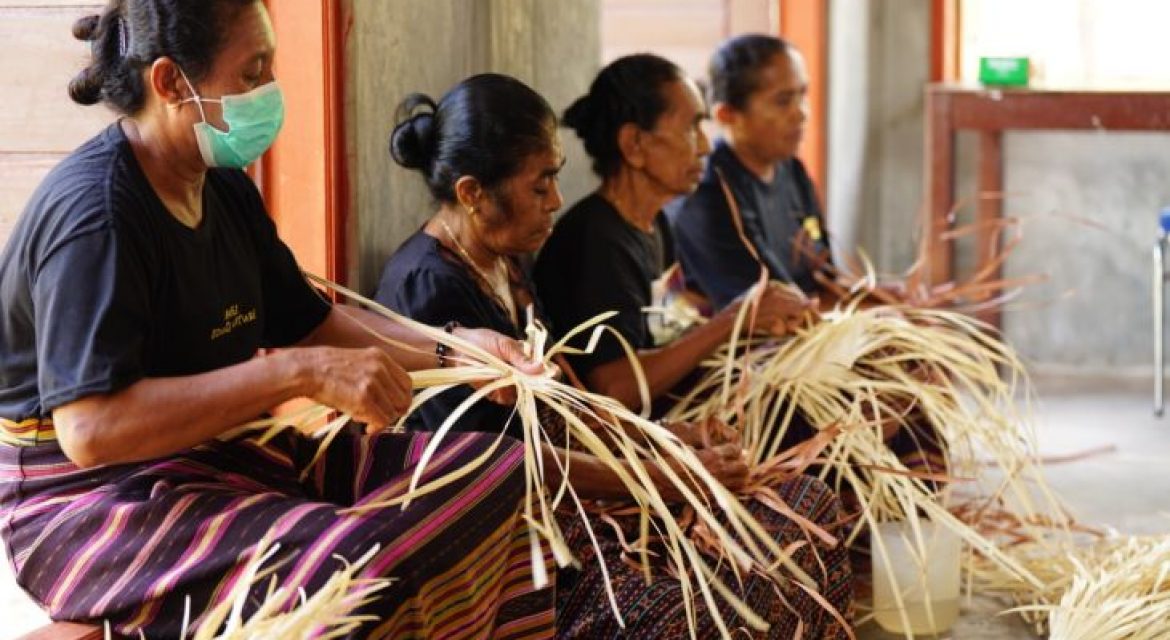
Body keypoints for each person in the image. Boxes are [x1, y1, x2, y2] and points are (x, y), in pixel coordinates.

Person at [0, 2, 555, 637]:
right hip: (89, 503)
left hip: (215, 458)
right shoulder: (96, 216)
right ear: (170, 83)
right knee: (343, 570)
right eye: (251, 73)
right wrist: (295, 375)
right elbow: (92, 431)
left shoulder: (222, 185)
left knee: (495, 470)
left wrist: (459, 353)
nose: (267, 93)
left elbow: (311, 323)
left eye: (270, 69)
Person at [528, 55, 852, 637]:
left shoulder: (655, 226)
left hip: (670, 431)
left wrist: (754, 329)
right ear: (634, 144)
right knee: (797, 453)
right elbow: (615, 388)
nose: (704, 145)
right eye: (689, 127)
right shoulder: (596, 240)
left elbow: (675, 319)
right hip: (616, 468)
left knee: (813, 411)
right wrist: (730, 322)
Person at [669, 34, 834, 309]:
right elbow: (770, 311)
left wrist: (883, 298)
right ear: (728, 115)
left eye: (802, 96)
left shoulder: (792, 170)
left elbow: (826, 280)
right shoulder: (708, 193)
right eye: (783, 101)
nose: (801, 114)